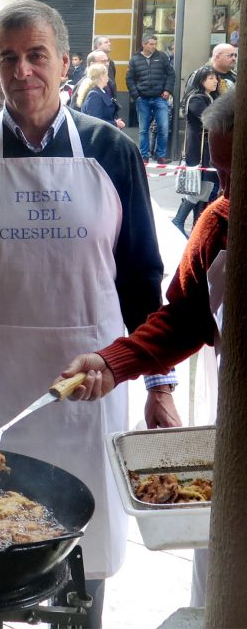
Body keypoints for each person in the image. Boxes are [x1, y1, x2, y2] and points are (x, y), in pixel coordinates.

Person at [0, 0, 166, 629]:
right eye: (8, 58)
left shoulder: (113, 151)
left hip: (88, 388)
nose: (22, 71)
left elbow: (140, 279)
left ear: (66, 63)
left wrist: (158, 384)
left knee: (83, 561)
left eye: (37, 55)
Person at [56, 89, 236, 610]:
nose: (226, 189)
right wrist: (114, 363)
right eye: (220, 172)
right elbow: (184, 317)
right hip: (233, 434)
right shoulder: (219, 222)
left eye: (236, 171)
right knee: (224, 583)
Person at [172, 66, 220, 236]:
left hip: (208, 149)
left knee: (206, 188)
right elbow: (211, 120)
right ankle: (178, 220)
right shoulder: (196, 99)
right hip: (198, 150)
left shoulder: (210, 97)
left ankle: (196, 227)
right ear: (201, 81)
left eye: (215, 78)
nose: (215, 81)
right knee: (198, 188)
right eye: (210, 78)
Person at [126, 34, 175, 162]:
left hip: (160, 98)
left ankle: (161, 155)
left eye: (155, 44)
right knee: (143, 129)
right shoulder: (135, 59)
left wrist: (167, 90)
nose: (154, 46)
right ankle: (144, 156)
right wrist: (136, 95)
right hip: (142, 99)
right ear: (144, 44)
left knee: (163, 127)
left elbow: (171, 74)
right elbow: (129, 79)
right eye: (151, 44)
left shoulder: (162, 57)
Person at [75, 63, 125, 129]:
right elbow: (96, 122)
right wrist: (116, 124)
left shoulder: (100, 91)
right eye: (107, 75)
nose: (108, 77)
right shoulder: (94, 95)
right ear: (101, 77)